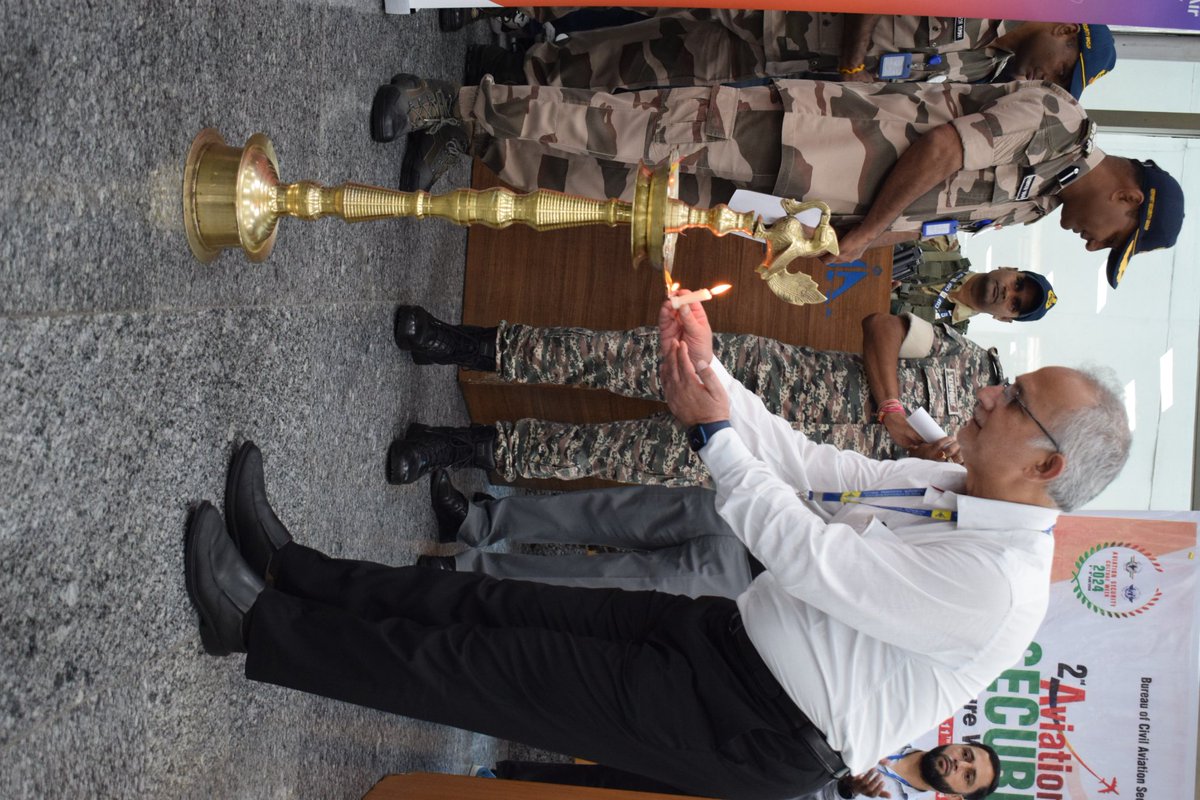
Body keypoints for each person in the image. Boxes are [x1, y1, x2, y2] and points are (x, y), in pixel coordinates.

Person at [184, 291, 1128, 799]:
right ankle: (289, 570)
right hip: (723, 641)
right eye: (1005, 380)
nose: (990, 394)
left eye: (1015, 400)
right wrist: (710, 371)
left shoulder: (1001, 590)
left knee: (471, 667)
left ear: (1048, 470)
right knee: (487, 607)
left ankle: (256, 625)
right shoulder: (952, 484)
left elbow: (815, 559)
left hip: (751, 727)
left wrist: (714, 436)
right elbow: (810, 468)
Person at [370, 74, 1184, 280]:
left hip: (798, 199)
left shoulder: (1037, 206)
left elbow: (928, 218)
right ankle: (450, 98)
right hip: (807, 133)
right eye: (1113, 240)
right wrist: (867, 235)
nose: (1091, 244)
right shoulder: (1059, 121)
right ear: (1128, 197)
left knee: (627, 190)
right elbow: (939, 152)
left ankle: (470, 142)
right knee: (626, 126)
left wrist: (833, 240)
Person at [383, 305, 1003, 487]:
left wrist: (928, 468)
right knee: (600, 356)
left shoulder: (966, 490)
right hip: (762, 375)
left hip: (761, 459)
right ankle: (451, 344)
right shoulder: (974, 366)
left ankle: (446, 448)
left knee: (601, 454)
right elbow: (882, 327)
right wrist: (894, 408)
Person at [504, 15, 1114, 96]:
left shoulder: (985, 66)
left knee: (648, 63)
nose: (1052, 76)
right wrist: (850, 66)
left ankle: (523, 72)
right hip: (783, 18)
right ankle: (519, 63)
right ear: (1063, 26)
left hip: (785, 63)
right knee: (645, 44)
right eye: (1066, 64)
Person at [476, 741, 1002, 799]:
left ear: (954, 795)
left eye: (968, 776)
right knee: (631, 751)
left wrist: (843, 791)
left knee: (617, 790)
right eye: (970, 756)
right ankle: (512, 759)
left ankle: (498, 785)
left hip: (753, 791)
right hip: (743, 747)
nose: (961, 765)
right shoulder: (897, 723)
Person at [890, 244, 1057, 332]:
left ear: (1003, 318)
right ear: (1008, 268)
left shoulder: (945, 334)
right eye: (1018, 284)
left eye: (1015, 304)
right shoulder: (942, 244)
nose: (1008, 293)